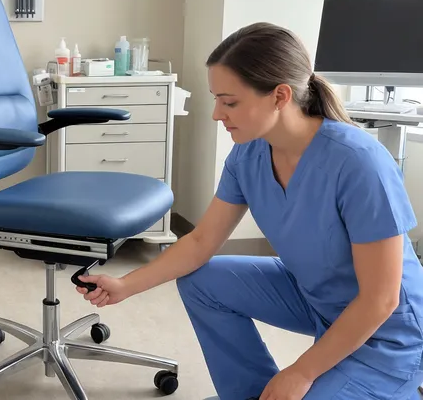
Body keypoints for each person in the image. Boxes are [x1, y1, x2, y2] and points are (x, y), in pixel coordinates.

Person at [75, 22, 423, 399]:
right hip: (313, 296)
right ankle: (249, 393)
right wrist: (127, 285)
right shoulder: (249, 153)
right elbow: (203, 241)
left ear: (279, 96)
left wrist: (301, 372)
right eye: (216, 99)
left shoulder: (358, 162)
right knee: (202, 281)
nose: (216, 114)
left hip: (386, 334)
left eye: (230, 101)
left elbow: (380, 299)